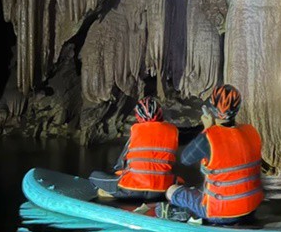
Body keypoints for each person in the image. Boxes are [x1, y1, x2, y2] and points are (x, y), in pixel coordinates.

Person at [157, 84, 263, 224]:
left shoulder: (209, 137)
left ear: (212, 108)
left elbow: (185, 158)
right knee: (200, 190)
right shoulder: (251, 131)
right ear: (237, 109)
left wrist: (207, 129)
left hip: (220, 213)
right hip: (251, 208)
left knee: (172, 190)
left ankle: (186, 215)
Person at [89, 96, 178, 200]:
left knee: (93, 176)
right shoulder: (173, 131)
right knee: (178, 180)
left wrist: (117, 173)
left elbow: (121, 163)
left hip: (131, 190)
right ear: (160, 112)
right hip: (161, 191)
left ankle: (109, 198)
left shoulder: (137, 130)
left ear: (138, 116)